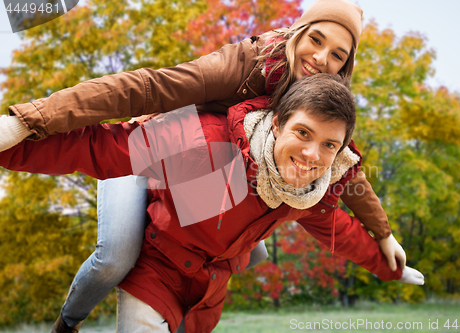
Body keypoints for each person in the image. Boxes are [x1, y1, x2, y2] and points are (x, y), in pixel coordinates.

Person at [0, 0, 406, 331]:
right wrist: (29, 120)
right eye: (316, 40)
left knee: (241, 242)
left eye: (337, 54)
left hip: (217, 169)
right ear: (298, 33)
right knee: (116, 256)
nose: (321, 58)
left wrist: (383, 235)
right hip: (152, 153)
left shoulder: (323, 107)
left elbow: (344, 168)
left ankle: (176, 248)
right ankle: (68, 323)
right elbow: (147, 89)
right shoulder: (245, 65)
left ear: (346, 65)